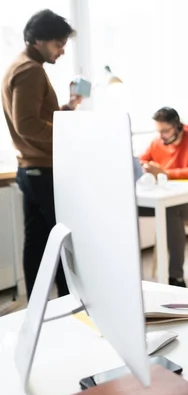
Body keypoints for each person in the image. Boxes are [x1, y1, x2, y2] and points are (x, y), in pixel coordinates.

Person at [2, 9, 81, 299]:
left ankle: (40, 305)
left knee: (37, 240)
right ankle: (66, 301)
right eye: (58, 44)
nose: (61, 51)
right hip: (42, 169)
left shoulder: (19, 66)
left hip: (31, 168)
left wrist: (68, 110)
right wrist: (69, 136)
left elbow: (36, 120)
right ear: (39, 40)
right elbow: (28, 125)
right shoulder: (30, 70)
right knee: (61, 239)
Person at [138, 107, 188, 287]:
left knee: (171, 211)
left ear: (177, 126)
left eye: (165, 131)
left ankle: (176, 278)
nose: (162, 136)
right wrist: (145, 166)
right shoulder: (157, 143)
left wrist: (165, 173)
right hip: (171, 198)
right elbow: (139, 161)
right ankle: (132, 273)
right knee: (130, 207)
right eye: (159, 131)